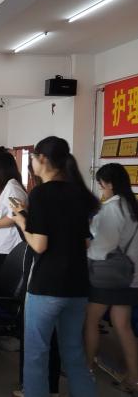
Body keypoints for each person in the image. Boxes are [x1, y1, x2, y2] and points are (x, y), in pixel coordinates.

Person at [10, 136, 99, 397]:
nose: (32, 164)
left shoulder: (41, 193)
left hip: (46, 286)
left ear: (43, 159)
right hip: (78, 286)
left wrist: (21, 221)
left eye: (33, 159)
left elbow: (39, 245)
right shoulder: (79, 193)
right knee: (74, 353)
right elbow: (85, 242)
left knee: (37, 354)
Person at [84, 163, 138, 393]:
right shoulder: (131, 206)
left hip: (108, 276)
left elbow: (102, 246)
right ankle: (133, 378)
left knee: (91, 320)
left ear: (110, 184)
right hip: (130, 275)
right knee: (123, 325)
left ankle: (86, 368)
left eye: (101, 185)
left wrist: (86, 244)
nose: (101, 190)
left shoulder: (112, 208)